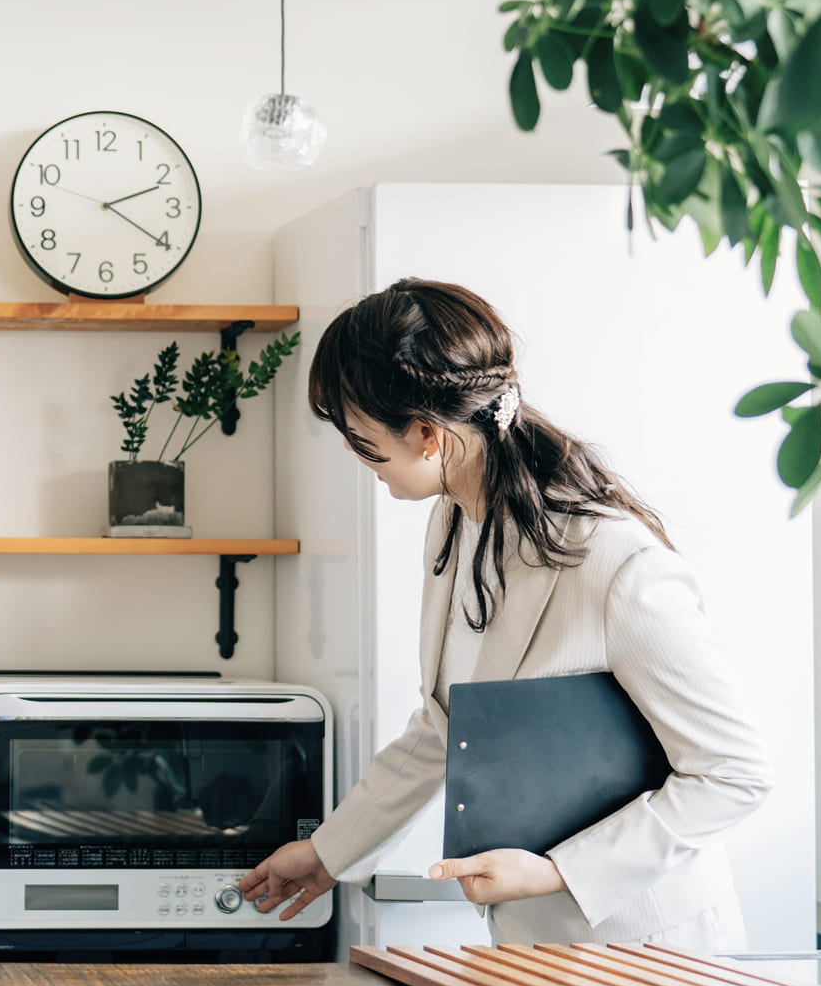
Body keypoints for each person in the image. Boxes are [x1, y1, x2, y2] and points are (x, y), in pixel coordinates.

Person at [238, 278, 771, 950]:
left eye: (358, 434)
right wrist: (327, 853)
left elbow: (732, 774)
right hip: (533, 952)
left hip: (653, 951)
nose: (352, 452)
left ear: (427, 434)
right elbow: (444, 726)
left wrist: (557, 872)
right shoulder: (453, 524)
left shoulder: (616, 563)